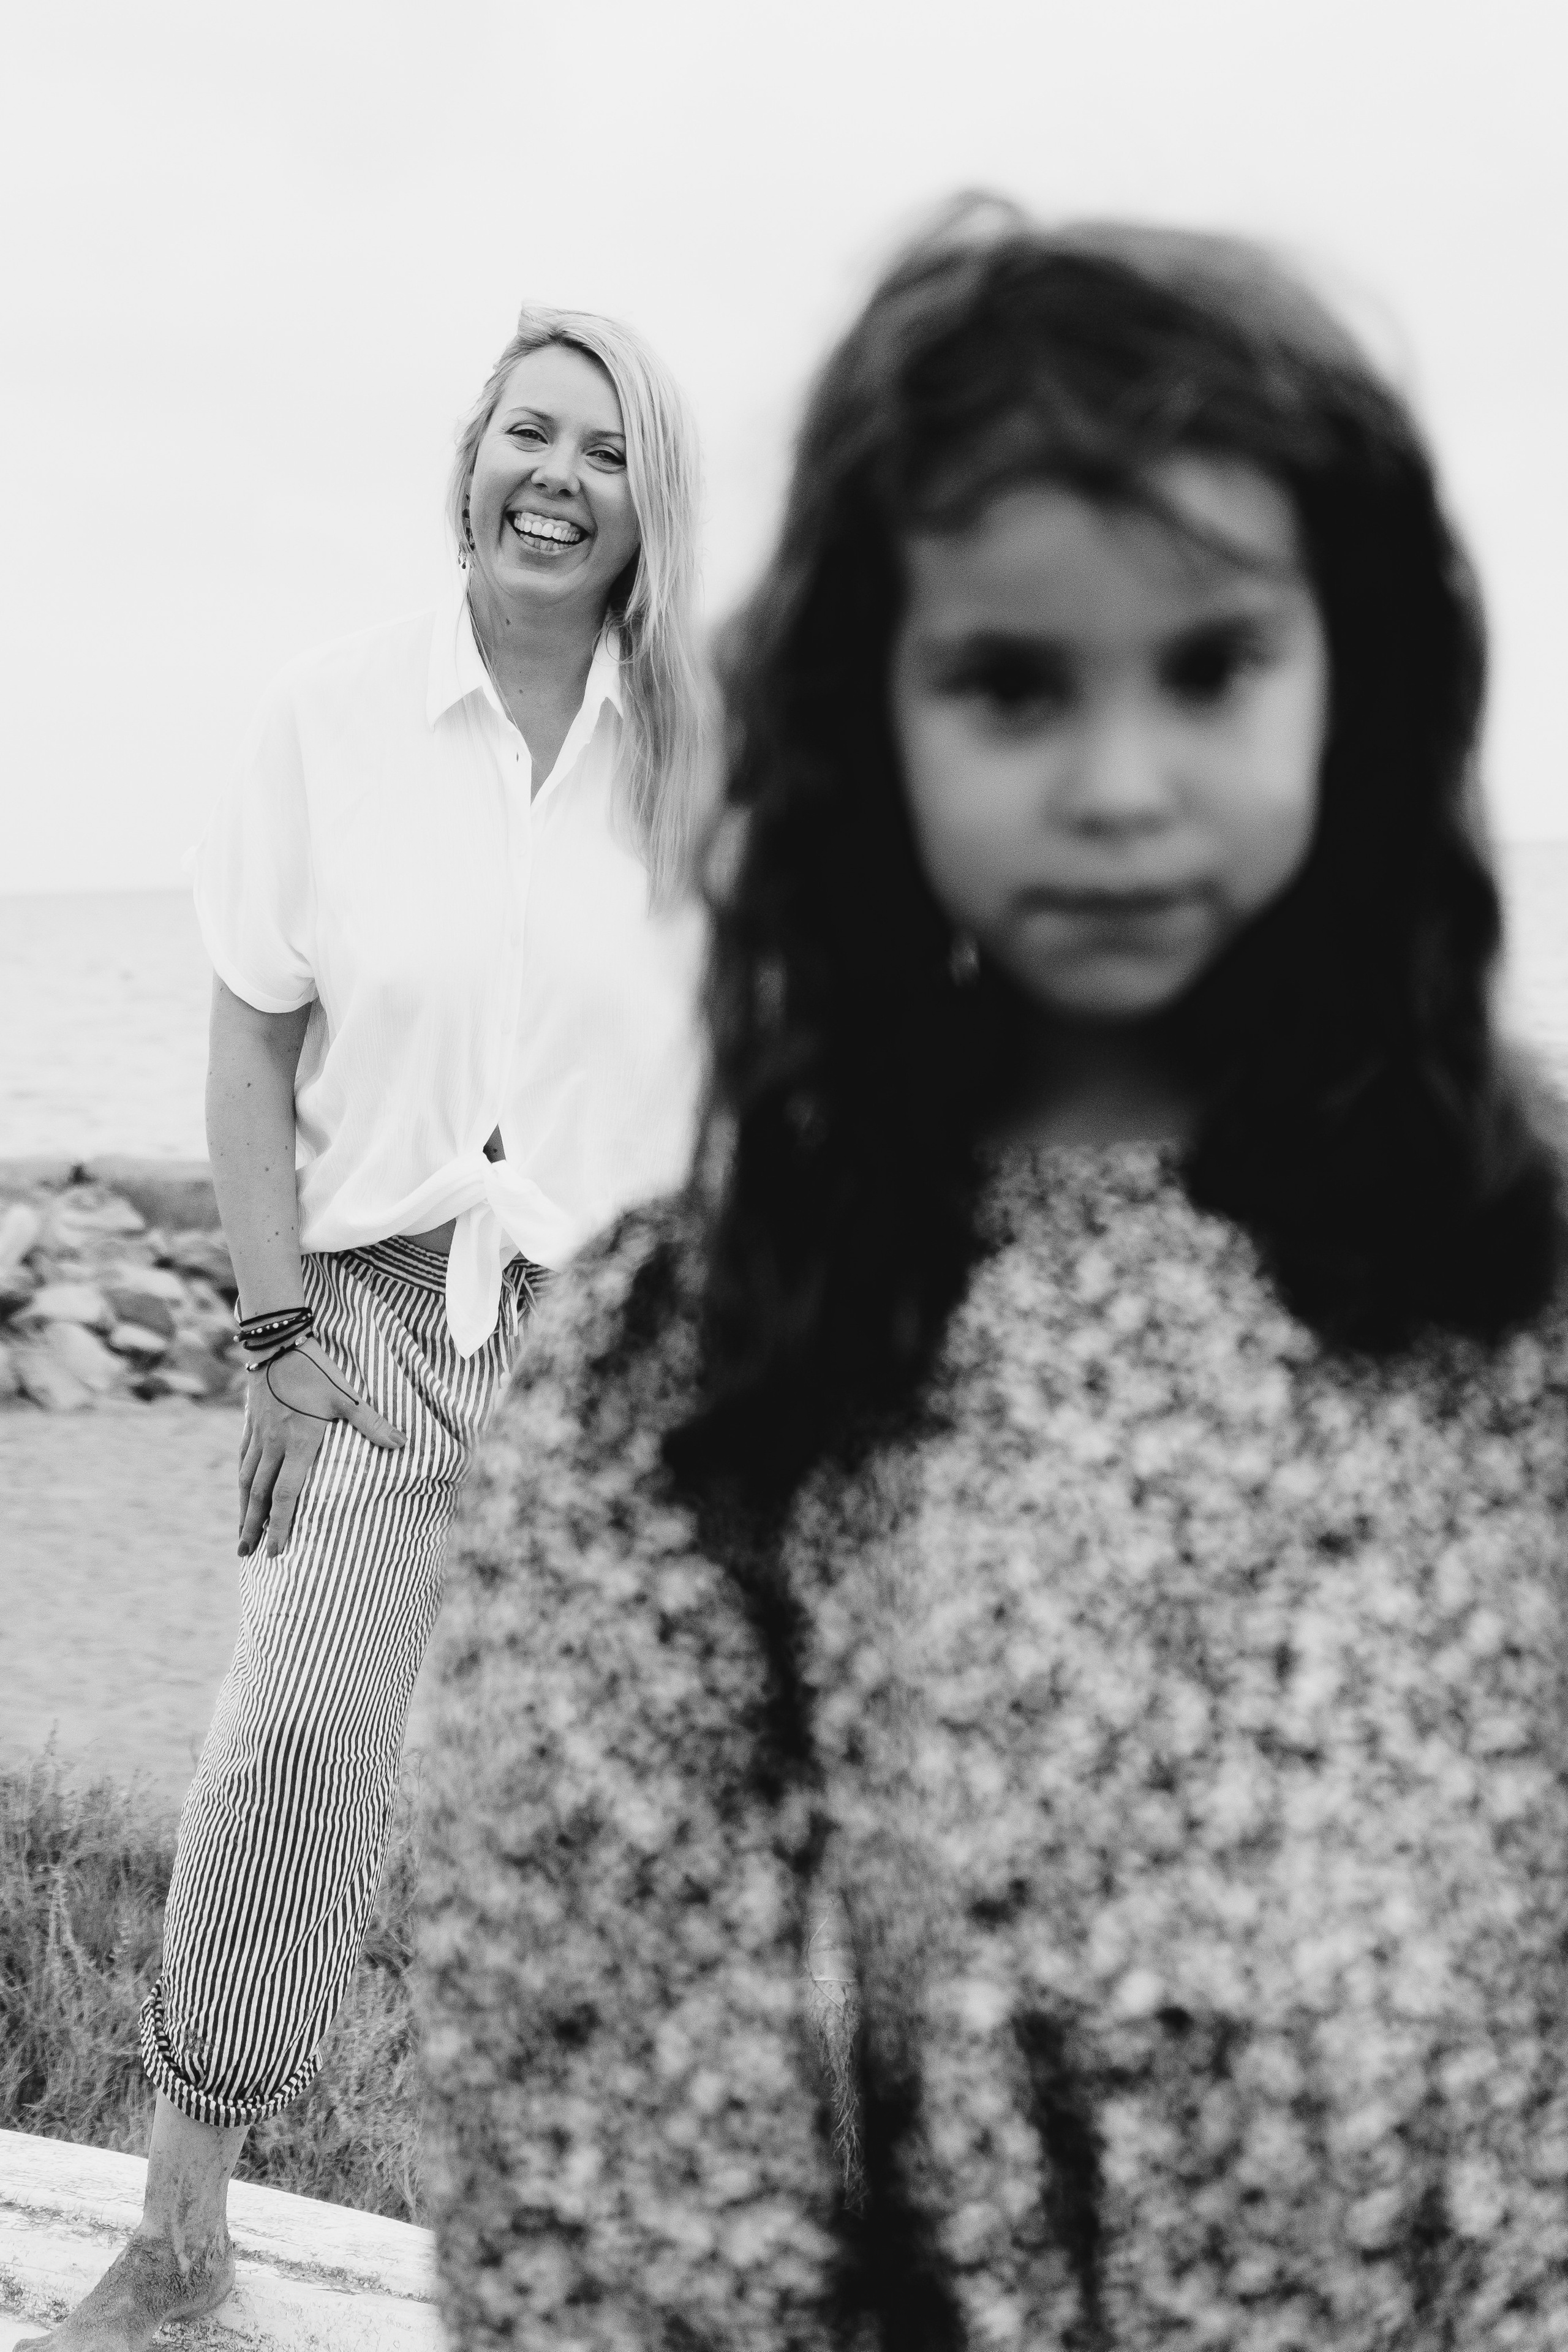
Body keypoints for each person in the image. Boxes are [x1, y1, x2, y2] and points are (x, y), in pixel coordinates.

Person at [415, 208, 1568, 2348]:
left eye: (1211, 665)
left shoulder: (1526, 1295)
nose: (1119, 785)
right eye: (1014, 683)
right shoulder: (693, 1372)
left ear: (1360, 679)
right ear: (877, 713)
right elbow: (604, 2160)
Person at [23, 304, 708, 2352]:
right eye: (530, 432)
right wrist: (262, 1328)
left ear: (644, 506)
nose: (557, 475)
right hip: (379, 1316)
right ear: (471, 459)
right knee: (292, 1747)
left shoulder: (713, 759)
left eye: (603, 449)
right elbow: (249, 1034)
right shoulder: (326, 718)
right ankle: (181, 2236)